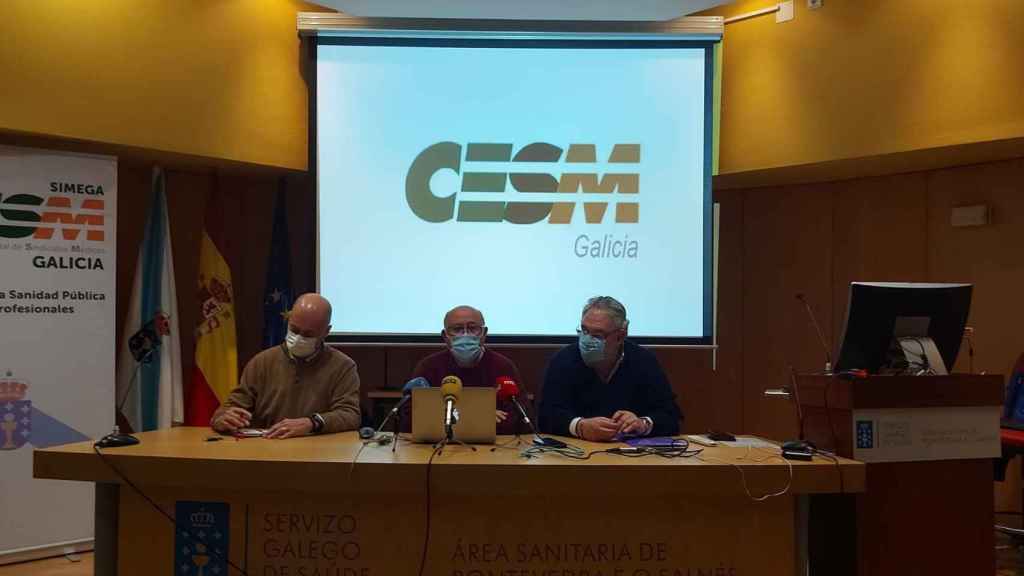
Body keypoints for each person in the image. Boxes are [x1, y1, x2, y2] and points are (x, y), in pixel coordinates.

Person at [210, 293, 360, 439]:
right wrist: (222, 418)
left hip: (316, 451)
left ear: (326, 332)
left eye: (308, 334)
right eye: (294, 330)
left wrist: (312, 423)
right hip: (266, 448)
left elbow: (350, 415)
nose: (298, 338)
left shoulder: (343, 366)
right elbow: (231, 407)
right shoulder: (262, 362)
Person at [538, 296, 682, 442]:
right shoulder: (564, 360)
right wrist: (580, 427)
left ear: (621, 335)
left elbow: (671, 416)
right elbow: (546, 416)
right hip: (577, 453)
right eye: (584, 330)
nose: (587, 340)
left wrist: (642, 423)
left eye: (598, 335)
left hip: (631, 456)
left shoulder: (643, 361)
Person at [405, 305, 526, 435]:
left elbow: (520, 420)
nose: (465, 334)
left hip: (493, 448)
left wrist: (449, 415)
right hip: (437, 446)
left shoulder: (503, 366)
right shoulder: (428, 366)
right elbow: (410, 419)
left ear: (484, 334)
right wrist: (477, 416)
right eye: (457, 329)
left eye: (473, 328)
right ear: (445, 336)